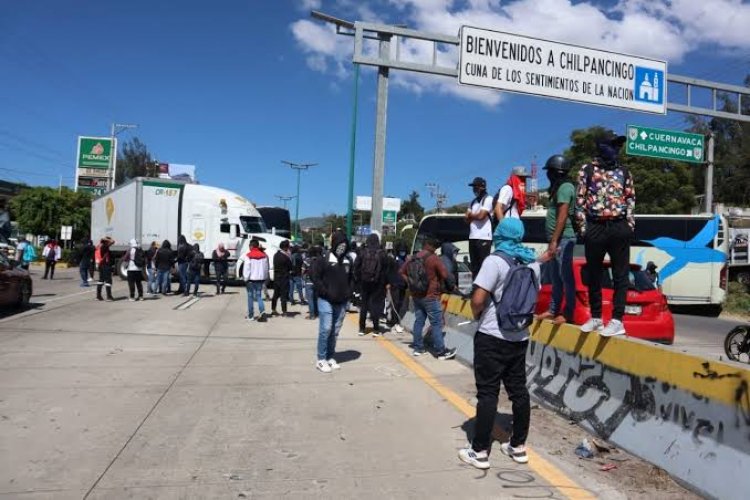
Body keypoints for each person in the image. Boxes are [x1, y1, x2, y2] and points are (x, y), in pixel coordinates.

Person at [459, 218, 551, 470]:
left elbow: (478, 299)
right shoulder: (532, 264)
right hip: (519, 337)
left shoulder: (494, 261)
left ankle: (479, 451)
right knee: (518, 391)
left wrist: (477, 315)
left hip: (492, 336)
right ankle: (518, 446)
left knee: (488, 393)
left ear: (499, 235)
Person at [574, 133, 635, 337]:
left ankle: (617, 320)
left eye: (618, 146)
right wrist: (584, 228)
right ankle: (597, 317)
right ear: (601, 146)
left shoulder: (624, 171)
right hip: (596, 226)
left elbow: (630, 198)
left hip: (619, 226)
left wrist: (629, 225)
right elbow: (580, 198)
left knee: (620, 275)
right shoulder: (588, 169)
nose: (616, 149)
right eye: (613, 145)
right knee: (594, 274)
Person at [400, 236, 457, 360]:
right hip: (431, 296)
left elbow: (401, 272)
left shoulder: (413, 258)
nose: (436, 249)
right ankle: (441, 351)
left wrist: (410, 283)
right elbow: (445, 274)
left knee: (419, 321)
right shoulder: (433, 259)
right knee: (436, 323)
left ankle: (418, 348)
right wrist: (451, 286)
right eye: (434, 247)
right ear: (429, 246)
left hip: (416, 296)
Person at [537, 155, 577, 325]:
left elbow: (562, 215)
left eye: (550, 171)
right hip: (555, 238)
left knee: (565, 276)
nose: (548, 175)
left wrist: (554, 241)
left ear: (557, 172)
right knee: (555, 277)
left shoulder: (565, 187)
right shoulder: (557, 188)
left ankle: (567, 312)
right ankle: (553, 310)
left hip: (563, 238)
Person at [312, 231, 353, 373]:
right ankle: (321, 359)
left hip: (341, 301)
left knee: (335, 331)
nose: (342, 247)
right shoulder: (324, 259)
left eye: (344, 244)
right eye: (339, 244)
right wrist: (325, 292)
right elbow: (315, 277)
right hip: (325, 300)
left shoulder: (348, 260)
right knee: (326, 329)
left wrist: (349, 293)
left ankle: (330, 356)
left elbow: (352, 279)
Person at [354, 233, 389, 336]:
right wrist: (384, 282)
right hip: (377, 283)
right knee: (375, 305)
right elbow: (386, 269)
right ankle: (376, 328)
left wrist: (358, 280)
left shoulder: (362, 252)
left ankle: (362, 328)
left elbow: (356, 266)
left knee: (364, 305)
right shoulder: (382, 253)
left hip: (364, 282)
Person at [466, 177, 494, 279]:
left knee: (484, 265)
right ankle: (475, 289)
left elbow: (481, 216)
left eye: (475, 187)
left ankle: (485, 291)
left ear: (482, 187)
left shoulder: (488, 199)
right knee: (474, 266)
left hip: (484, 237)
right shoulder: (472, 202)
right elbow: (466, 218)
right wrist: (474, 216)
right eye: (473, 187)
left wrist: (471, 215)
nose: (474, 190)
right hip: (472, 237)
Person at [241, 239, 269, 322]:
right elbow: (265, 268)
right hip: (260, 280)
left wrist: (245, 278)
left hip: (251, 280)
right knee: (259, 296)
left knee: (250, 297)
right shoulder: (263, 255)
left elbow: (247, 269)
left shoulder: (248, 255)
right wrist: (264, 278)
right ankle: (262, 312)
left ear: (251, 246)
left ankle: (251, 315)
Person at [386, 241, 408, 334]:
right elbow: (389, 272)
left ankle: (394, 321)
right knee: (395, 304)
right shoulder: (394, 259)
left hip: (403, 285)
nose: (402, 252)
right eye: (401, 250)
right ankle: (395, 323)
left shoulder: (406, 260)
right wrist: (388, 283)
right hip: (395, 285)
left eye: (404, 250)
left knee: (400, 304)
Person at [272, 240, 293, 316]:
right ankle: (284, 311)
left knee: (275, 294)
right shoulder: (286, 257)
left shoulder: (275, 255)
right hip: (284, 277)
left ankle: (273, 309)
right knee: (283, 295)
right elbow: (291, 267)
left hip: (276, 277)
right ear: (286, 247)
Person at [303, 246, 321, 320]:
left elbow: (303, 270)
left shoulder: (306, 260)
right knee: (316, 298)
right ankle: (317, 313)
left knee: (310, 299)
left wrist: (303, 277)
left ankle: (312, 315)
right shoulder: (319, 261)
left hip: (309, 281)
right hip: (317, 282)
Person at [96, 237, 115, 301]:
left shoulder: (99, 246)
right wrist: (107, 239)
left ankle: (98, 296)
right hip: (106, 265)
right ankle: (109, 297)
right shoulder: (105, 247)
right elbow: (113, 241)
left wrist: (104, 239)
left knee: (101, 280)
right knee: (108, 281)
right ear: (106, 242)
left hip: (100, 265)